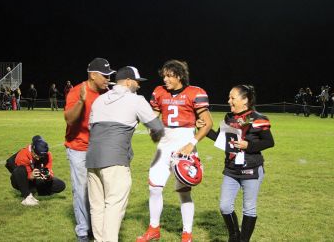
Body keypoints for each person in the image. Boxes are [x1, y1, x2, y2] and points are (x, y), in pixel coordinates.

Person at [137, 60, 213, 242]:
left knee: (184, 192)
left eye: (169, 75)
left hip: (184, 148)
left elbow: (208, 123)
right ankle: (153, 228)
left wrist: (192, 143)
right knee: (154, 188)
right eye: (164, 75)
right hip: (163, 147)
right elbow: (153, 116)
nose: (165, 79)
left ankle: (187, 233)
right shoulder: (159, 92)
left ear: (179, 76)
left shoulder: (195, 92)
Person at [86, 66, 165, 242]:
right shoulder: (136, 100)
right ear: (128, 81)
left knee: (97, 206)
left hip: (92, 158)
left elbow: (91, 127)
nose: (139, 85)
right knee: (114, 205)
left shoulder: (99, 99)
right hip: (115, 159)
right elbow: (157, 128)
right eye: (137, 82)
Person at [197, 85, 275, 242]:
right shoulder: (228, 118)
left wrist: (249, 146)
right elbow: (222, 139)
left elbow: (269, 142)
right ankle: (234, 236)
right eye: (229, 97)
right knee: (225, 206)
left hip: (251, 169)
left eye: (232, 98)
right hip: (231, 169)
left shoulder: (258, 118)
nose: (229, 101)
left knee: (249, 208)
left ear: (245, 100)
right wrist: (205, 129)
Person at [64, 57, 115, 242]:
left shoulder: (106, 94)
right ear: (93, 75)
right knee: (82, 189)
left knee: (100, 190)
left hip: (99, 148)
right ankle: (83, 232)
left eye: (109, 75)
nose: (108, 79)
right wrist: (81, 102)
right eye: (105, 75)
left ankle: (97, 228)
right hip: (78, 147)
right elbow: (70, 120)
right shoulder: (77, 91)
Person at [5, 135, 66, 206]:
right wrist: (31, 176)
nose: (38, 158)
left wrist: (48, 175)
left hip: (36, 179)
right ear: (32, 150)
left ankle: (34, 191)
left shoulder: (48, 155)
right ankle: (27, 196)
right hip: (21, 180)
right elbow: (21, 174)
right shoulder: (23, 155)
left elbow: (49, 169)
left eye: (41, 157)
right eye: (36, 155)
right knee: (20, 169)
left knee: (60, 185)